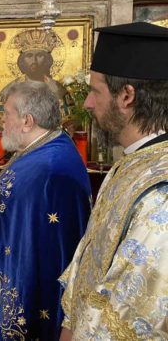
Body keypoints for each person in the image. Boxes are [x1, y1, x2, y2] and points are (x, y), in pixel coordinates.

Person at [0, 81, 91, 340]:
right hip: (9, 267)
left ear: (27, 121)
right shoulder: (45, 149)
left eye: (6, 113)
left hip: (21, 281)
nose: (1, 120)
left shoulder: (47, 168)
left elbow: (34, 241)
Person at [59, 22, 168, 340]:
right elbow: (88, 261)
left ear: (126, 96)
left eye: (95, 91)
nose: (87, 104)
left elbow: (133, 313)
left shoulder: (160, 193)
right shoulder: (129, 164)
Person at [0, 28, 71, 129]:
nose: (34, 61)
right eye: (29, 56)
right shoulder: (10, 89)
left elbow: (70, 123)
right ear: (22, 61)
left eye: (39, 55)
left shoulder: (57, 89)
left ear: (47, 60)